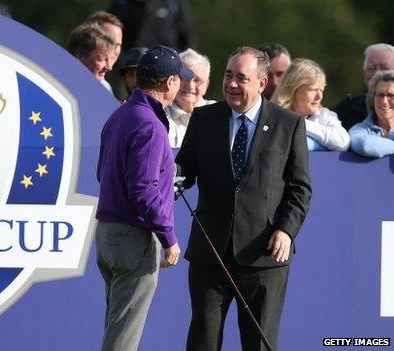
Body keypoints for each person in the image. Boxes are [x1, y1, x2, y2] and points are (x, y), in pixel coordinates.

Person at [175, 46, 311, 351]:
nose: (231, 84)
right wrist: (164, 184)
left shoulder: (288, 124)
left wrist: (286, 230)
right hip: (210, 253)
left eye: (241, 78)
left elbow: (300, 188)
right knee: (202, 342)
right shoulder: (204, 118)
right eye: (227, 75)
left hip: (263, 256)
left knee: (258, 344)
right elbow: (184, 170)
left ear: (262, 84)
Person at [95, 45, 190, 351]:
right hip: (133, 238)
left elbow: (103, 174)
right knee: (123, 340)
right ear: (169, 82)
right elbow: (143, 191)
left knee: (116, 330)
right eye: (179, 79)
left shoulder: (121, 113)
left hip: (108, 235)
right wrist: (169, 237)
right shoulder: (149, 124)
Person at [272, 58, 350, 151]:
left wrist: (299, 123)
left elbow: (343, 143)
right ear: (293, 89)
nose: (319, 96)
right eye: (312, 90)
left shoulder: (325, 116)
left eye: (321, 90)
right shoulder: (272, 116)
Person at [334, 43, 394, 130]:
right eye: (371, 68)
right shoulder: (349, 107)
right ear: (364, 73)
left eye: (384, 68)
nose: (376, 73)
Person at [165, 48, 216, 147]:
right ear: (173, 80)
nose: (190, 86)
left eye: (197, 81)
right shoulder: (159, 114)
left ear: (206, 85)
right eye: (184, 78)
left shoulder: (218, 113)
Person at [108, 0, 195, 53]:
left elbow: (187, 36)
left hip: (163, 71)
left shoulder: (173, 3)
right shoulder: (122, 3)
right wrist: (121, 63)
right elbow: (109, 34)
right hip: (129, 69)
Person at [349, 70, 394, 158]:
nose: (384, 101)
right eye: (380, 95)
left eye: (391, 95)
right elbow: (364, 145)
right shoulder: (360, 129)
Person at [66, 23, 117, 90]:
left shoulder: (105, 89)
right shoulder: (54, 84)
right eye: (103, 59)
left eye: (109, 59)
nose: (109, 67)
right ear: (80, 56)